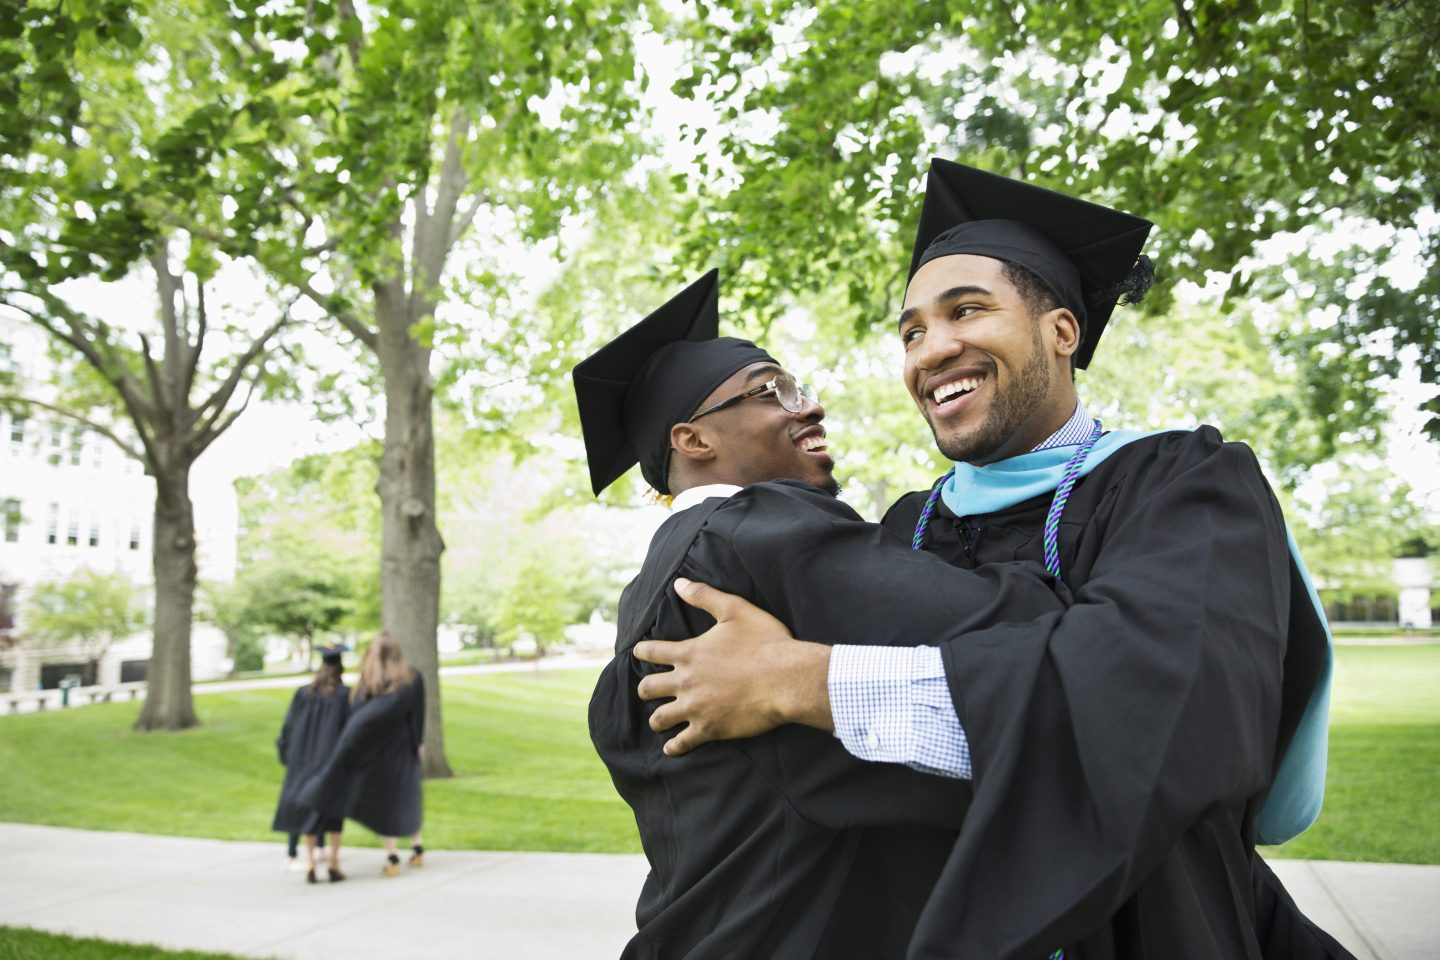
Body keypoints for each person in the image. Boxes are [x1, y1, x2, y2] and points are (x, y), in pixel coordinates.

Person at [633, 161, 1351, 959]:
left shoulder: (1184, 481)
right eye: (911, 332)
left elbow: (1163, 705)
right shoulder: (909, 526)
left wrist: (801, 680)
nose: (933, 349)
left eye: (966, 311)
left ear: (1061, 331)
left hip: (1155, 924)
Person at [573, 269, 1073, 958]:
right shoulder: (755, 531)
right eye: (772, 391)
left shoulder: (652, 590)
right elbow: (1010, 628)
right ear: (693, 441)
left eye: (798, 387)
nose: (808, 407)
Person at [299, 632, 425, 878]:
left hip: (379, 750)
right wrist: (418, 744)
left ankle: (392, 856)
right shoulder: (412, 677)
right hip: (402, 747)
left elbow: (357, 717)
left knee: (385, 800)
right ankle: (417, 847)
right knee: (407, 796)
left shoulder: (368, 681)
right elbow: (417, 714)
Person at [272, 645, 349, 883]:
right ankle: (334, 862)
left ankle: (310, 863)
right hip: (333, 763)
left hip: (304, 763)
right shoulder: (345, 695)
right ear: (340, 667)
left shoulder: (303, 694)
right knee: (334, 813)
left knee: (308, 812)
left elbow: (289, 728)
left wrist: (288, 757)